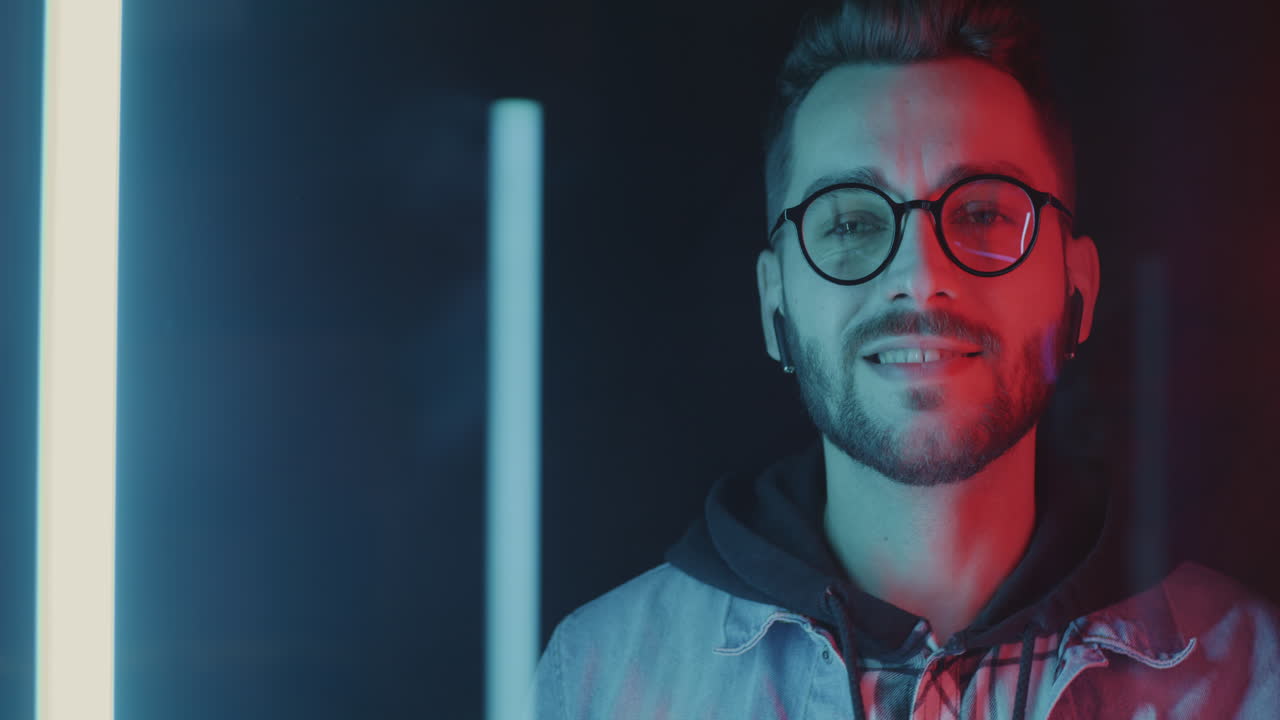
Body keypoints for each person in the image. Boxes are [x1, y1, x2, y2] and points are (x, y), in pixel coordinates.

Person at [531, 1, 1280, 718]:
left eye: (983, 213)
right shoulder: (603, 677)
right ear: (774, 304)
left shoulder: (1253, 675)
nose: (920, 276)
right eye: (852, 220)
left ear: (1075, 286)